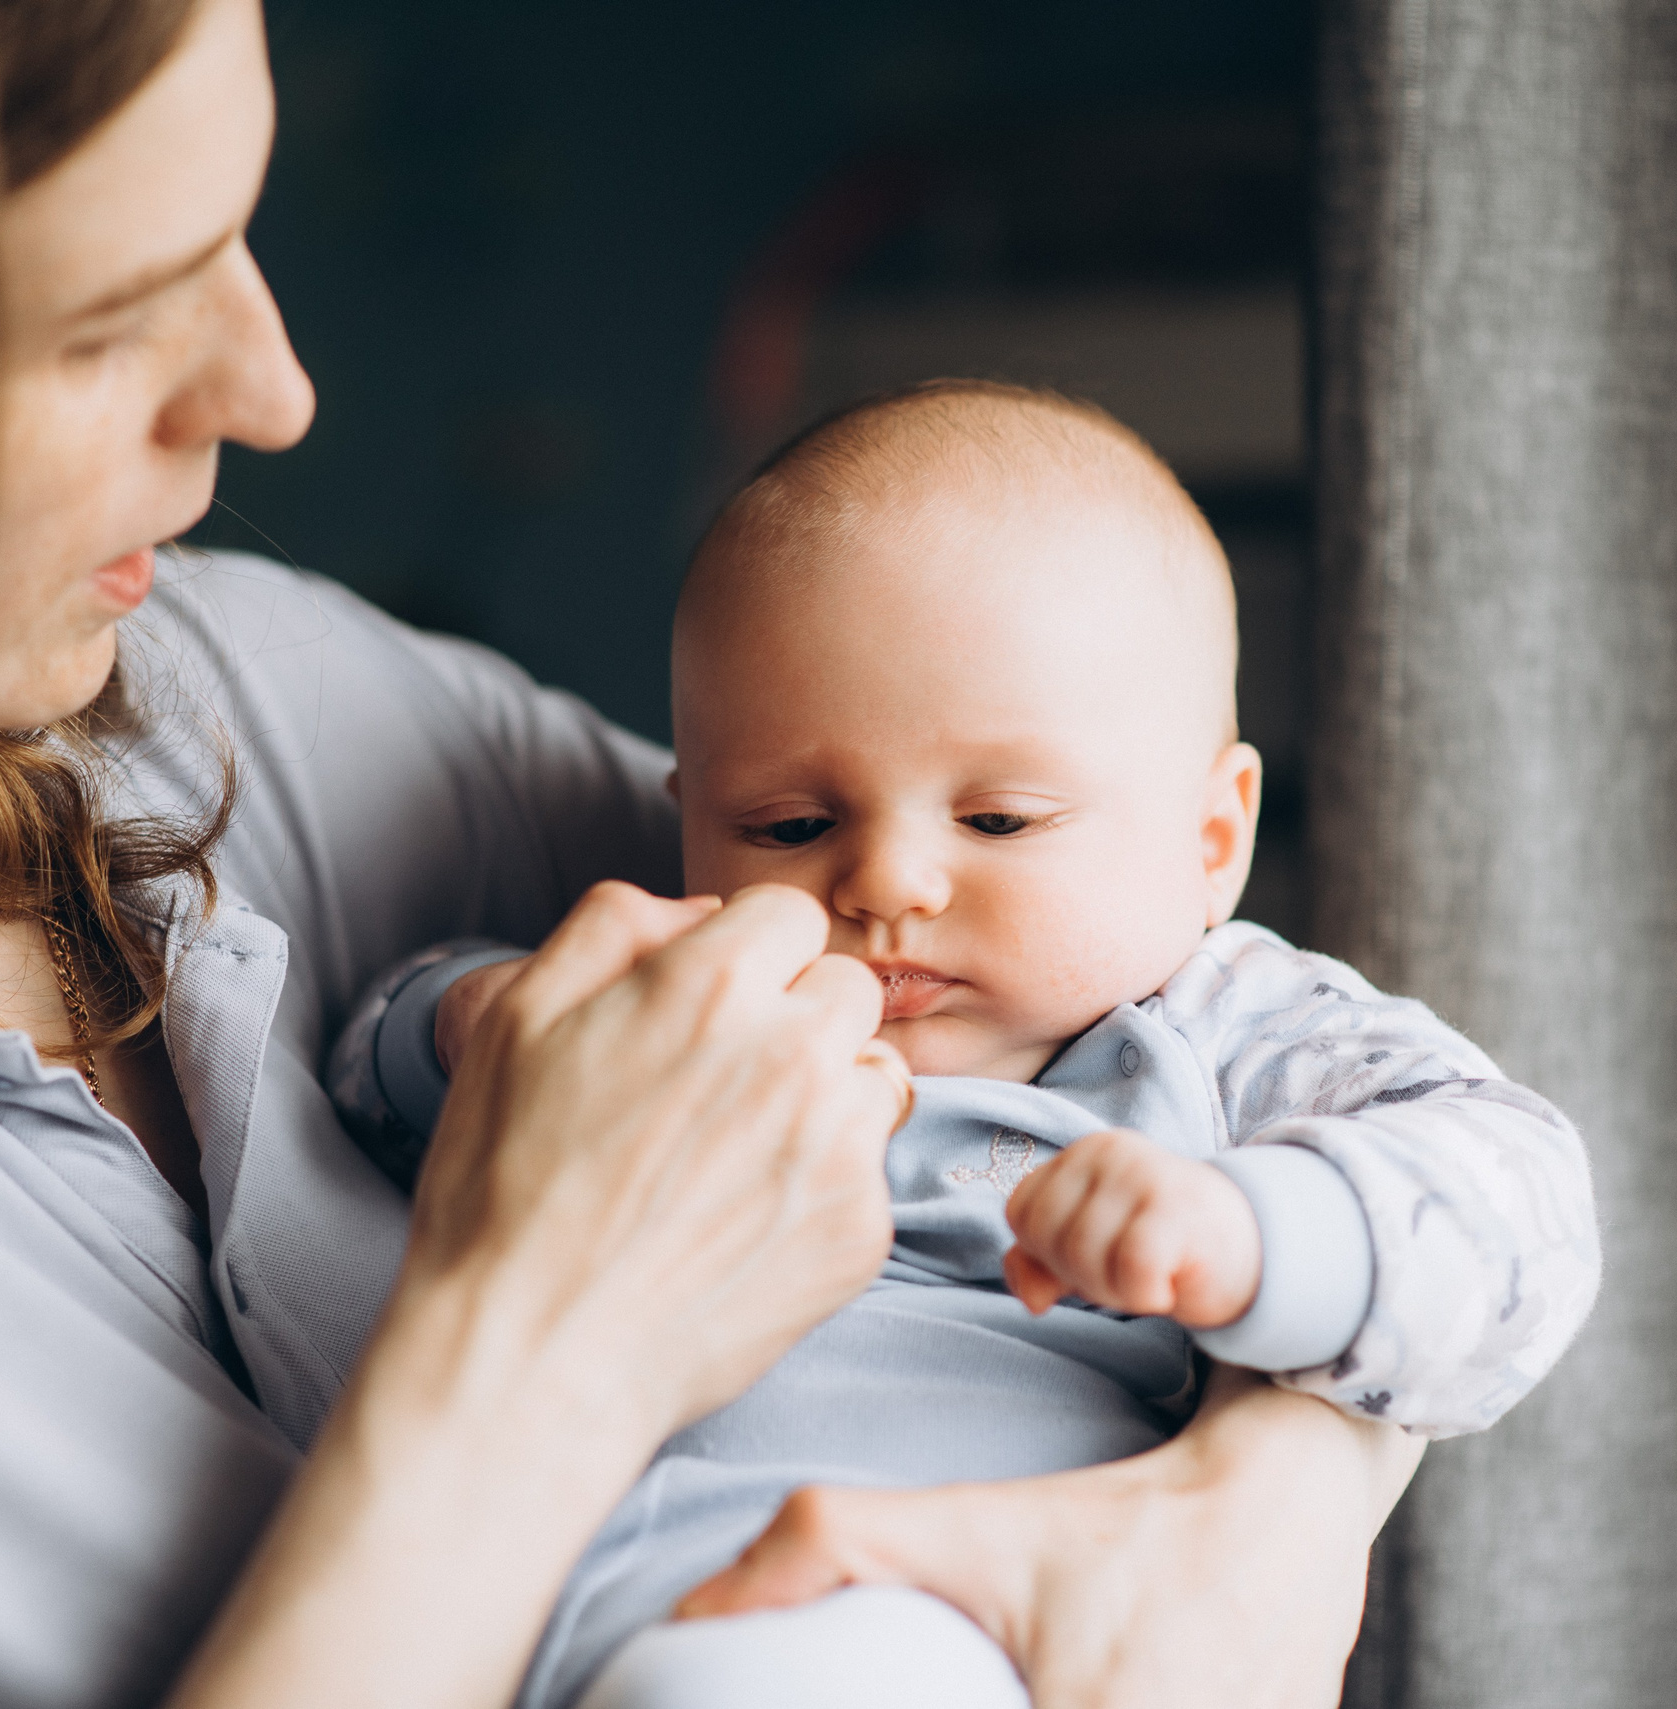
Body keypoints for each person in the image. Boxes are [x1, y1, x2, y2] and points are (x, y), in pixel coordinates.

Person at [0, 2, 1427, 1706]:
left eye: (237, 231)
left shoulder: (211, 692)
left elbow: (1177, 1010)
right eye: (100, 319)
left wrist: (1250, 1507)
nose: (275, 390)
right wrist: (545, 1350)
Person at [336, 383, 1600, 1709]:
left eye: (998, 820)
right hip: (590, 1603)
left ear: (1212, 837)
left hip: (977, 1622)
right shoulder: (700, 1001)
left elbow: (1524, 1218)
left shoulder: (1227, 1026)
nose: (884, 881)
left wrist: (1258, 1228)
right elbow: (370, 1067)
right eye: (785, 824)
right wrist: (475, 1024)